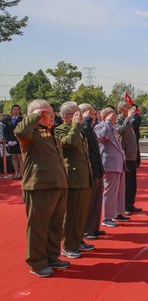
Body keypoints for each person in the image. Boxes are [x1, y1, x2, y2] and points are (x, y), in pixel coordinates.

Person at [15, 99, 70, 277]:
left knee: (55, 225)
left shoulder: (50, 132)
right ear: (36, 114)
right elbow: (19, 131)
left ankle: (52, 257)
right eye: (47, 114)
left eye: (53, 113)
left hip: (58, 184)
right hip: (39, 186)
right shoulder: (30, 133)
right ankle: (37, 263)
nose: (52, 116)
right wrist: (36, 114)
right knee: (38, 227)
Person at [55, 101, 93, 259]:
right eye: (76, 113)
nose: (80, 116)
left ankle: (77, 240)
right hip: (73, 177)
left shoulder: (77, 128)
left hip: (84, 175)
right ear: (66, 117)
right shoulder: (60, 129)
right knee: (72, 213)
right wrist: (76, 125)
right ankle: (68, 245)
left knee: (82, 212)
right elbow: (70, 142)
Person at [95, 107, 127, 228]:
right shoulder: (99, 127)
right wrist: (107, 122)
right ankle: (107, 217)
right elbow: (104, 136)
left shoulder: (113, 127)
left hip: (119, 163)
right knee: (109, 191)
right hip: (110, 164)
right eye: (112, 116)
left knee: (119, 190)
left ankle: (117, 213)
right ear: (105, 116)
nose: (114, 118)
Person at [79, 103, 105, 240]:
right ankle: (87, 230)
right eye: (92, 114)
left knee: (96, 202)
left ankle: (93, 228)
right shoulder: (83, 127)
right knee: (89, 204)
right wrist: (86, 120)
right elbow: (86, 135)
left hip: (97, 169)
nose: (95, 116)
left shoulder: (91, 127)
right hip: (89, 171)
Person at [115, 101, 142, 215]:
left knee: (132, 183)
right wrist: (128, 118)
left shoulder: (129, 120)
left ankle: (130, 204)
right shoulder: (119, 119)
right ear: (121, 110)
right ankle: (125, 206)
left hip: (132, 155)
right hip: (125, 156)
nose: (130, 110)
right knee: (127, 183)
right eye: (127, 108)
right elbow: (120, 130)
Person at [1, 104, 24, 179]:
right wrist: (8, 141)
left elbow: (23, 131)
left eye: (17, 109)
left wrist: (17, 140)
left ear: (19, 110)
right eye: (14, 109)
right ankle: (16, 173)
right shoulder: (8, 119)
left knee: (20, 157)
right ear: (12, 110)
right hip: (10, 141)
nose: (16, 110)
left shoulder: (22, 119)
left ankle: (21, 173)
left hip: (19, 141)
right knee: (14, 157)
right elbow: (6, 131)